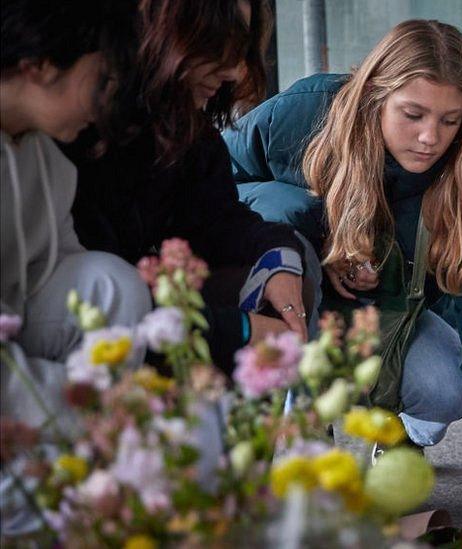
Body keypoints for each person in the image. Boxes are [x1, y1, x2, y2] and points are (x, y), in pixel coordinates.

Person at [224, 20, 462, 525]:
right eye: (413, 114)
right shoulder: (302, 116)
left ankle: (394, 432)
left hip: (391, 317)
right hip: (295, 304)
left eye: (450, 120)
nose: (430, 138)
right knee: (282, 237)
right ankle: (298, 449)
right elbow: (214, 189)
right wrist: (311, 236)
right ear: (375, 94)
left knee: (448, 386)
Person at [65, 0, 321, 372]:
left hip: (145, 305)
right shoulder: (77, 130)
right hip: (93, 324)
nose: (234, 71)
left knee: (292, 266)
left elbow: (217, 220)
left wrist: (278, 257)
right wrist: (243, 329)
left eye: (241, 49)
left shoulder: (189, 133)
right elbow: (105, 295)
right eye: (218, 43)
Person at [0, 0, 150, 535]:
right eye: (101, 77)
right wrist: (84, 403)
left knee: (110, 281)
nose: (106, 100)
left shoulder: (48, 163)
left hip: (21, 348)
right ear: (39, 64)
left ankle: (77, 470)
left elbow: (61, 266)